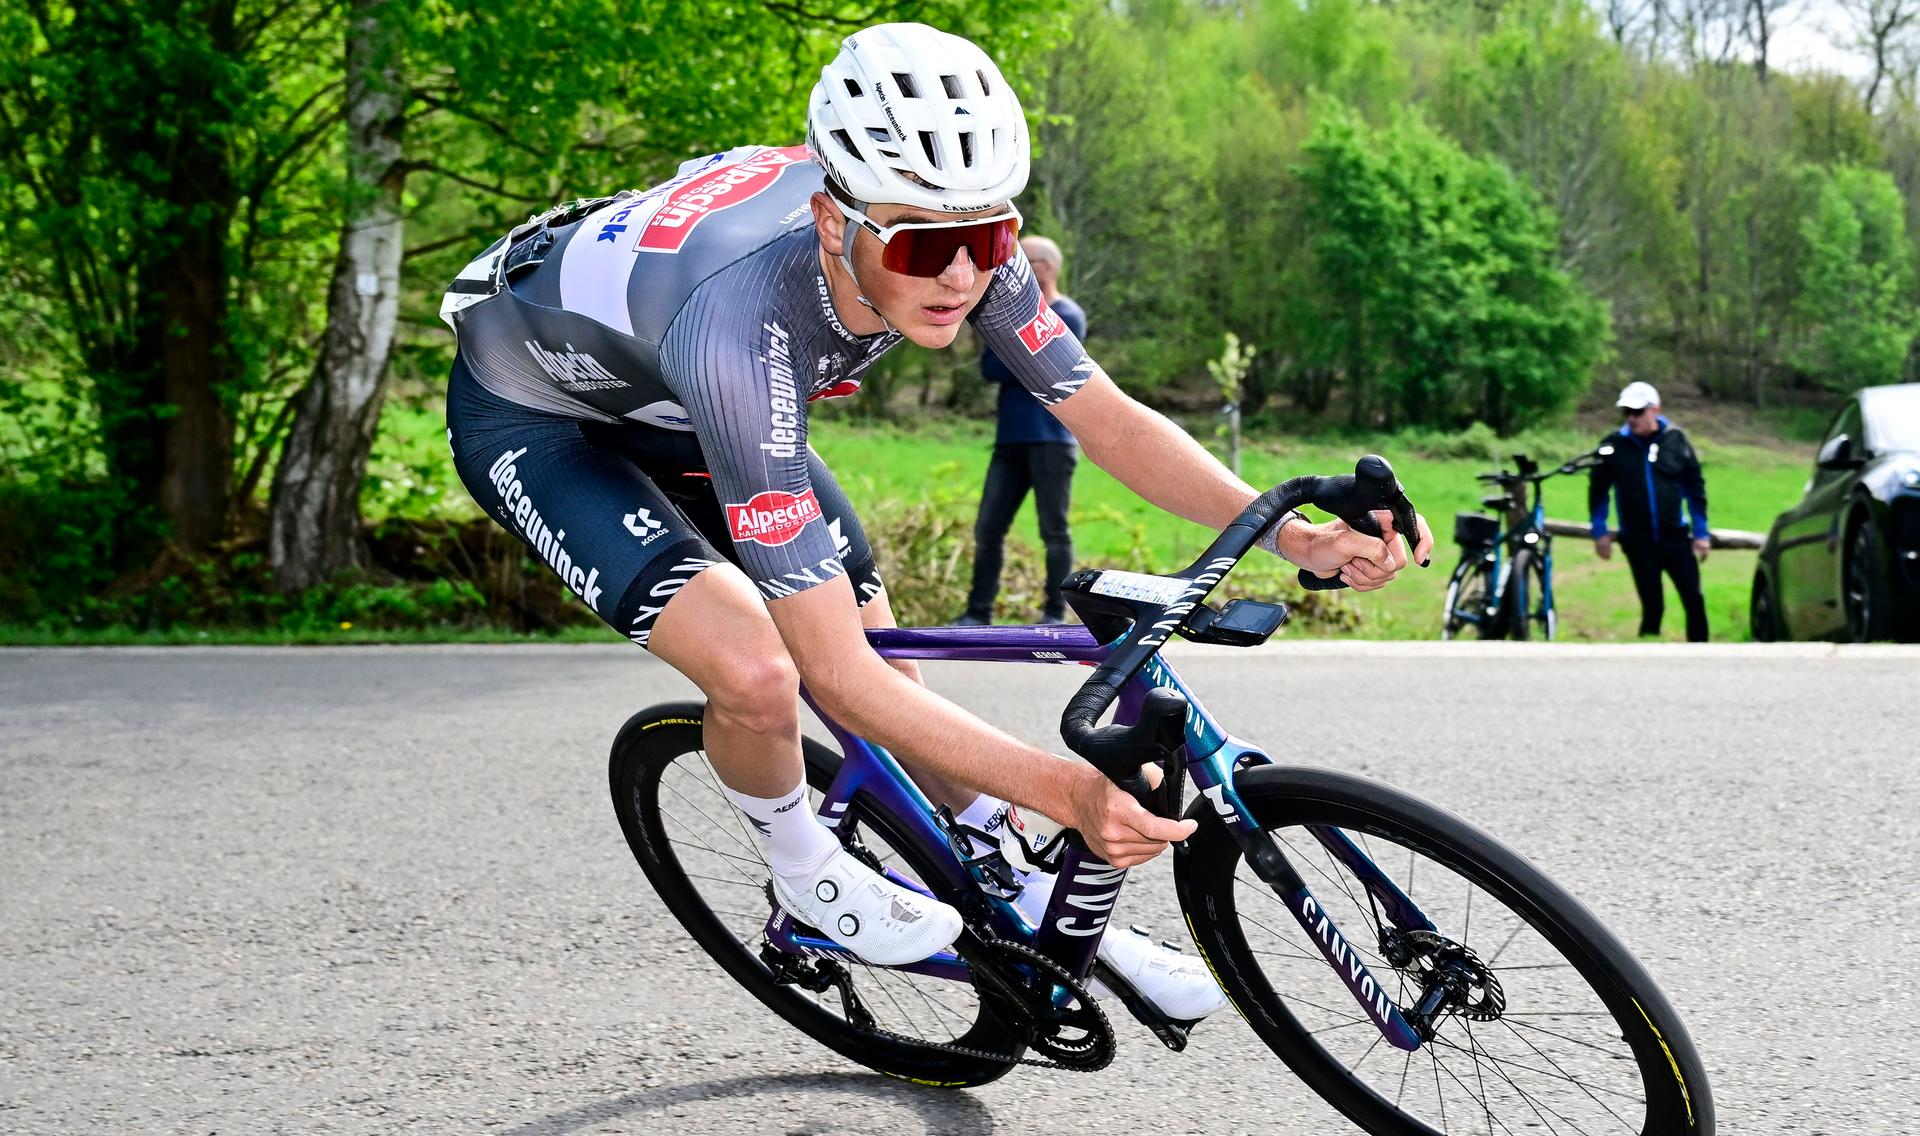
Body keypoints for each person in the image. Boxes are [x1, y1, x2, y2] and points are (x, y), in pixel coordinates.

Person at [438, 22, 1432, 1019]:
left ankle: (1006, 871)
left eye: (988, 237)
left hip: (692, 402)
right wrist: (1068, 793)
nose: (963, 276)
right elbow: (831, 676)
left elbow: (1106, 419)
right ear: (837, 225)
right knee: (762, 667)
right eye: (926, 245)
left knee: (884, 651)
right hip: (547, 420)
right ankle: (803, 873)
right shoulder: (741, 327)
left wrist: (1292, 533)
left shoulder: (954, 240)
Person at [953, 235, 1085, 625]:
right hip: (1009, 441)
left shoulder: (1068, 315)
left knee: (1053, 531)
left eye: (1021, 259)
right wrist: (1022, 357)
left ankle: (1054, 613)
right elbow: (991, 369)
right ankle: (978, 613)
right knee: (988, 529)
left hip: (1051, 441)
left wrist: (1019, 358)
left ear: (1045, 267)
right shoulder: (1005, 317)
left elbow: (1050, 365)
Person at [1588, 381, 1712, 642]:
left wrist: (1701, 533)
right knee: (1653, 605)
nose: (1632, 419)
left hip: (1676, 538)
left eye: (1637, 412)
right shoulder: (1613, 445)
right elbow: (1598, 491)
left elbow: (1695, 489)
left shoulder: (1676, 441)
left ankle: (1702, 656)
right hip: (1638, 540)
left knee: (1694, 600)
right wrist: (1600, 531)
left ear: (1655, 410)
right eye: (1627, 413)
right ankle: (1646, 656)